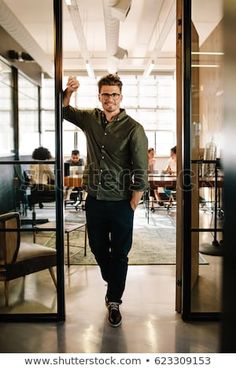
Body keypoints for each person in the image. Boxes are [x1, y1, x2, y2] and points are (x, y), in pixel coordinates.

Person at [63, 74, 148, 327]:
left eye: (114, 94)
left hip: (122, 201)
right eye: (105, 94)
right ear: (99, 96)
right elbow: (64, 110)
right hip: (95, 199)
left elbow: (140, 168)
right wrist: (68, 91)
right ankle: (113, 279)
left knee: (120, 253)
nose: (109, 98)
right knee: (98, 248)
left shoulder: (134, 128)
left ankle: (114, 301)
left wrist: (134, 201)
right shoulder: (90, 118)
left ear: (120, 97)